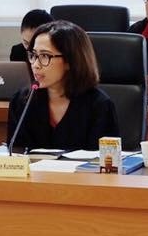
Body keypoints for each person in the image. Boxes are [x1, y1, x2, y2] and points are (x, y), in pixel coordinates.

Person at [7, 20, 119, 151]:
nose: (35, 64)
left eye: (45, 56)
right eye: (33, 55)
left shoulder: (99, 106)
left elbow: (106, 160)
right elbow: (16, 153)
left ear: (70, 61)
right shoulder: (21, 102)